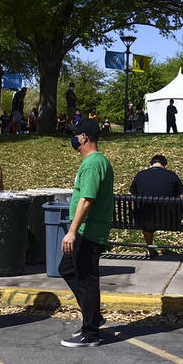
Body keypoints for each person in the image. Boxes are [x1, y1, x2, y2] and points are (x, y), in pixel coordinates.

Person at [59, 118, 113, 347]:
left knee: (87, 280)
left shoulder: (92, 163)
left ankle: (90, 333)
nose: (73, 138)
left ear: (85, 138)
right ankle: (94, 316)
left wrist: (72, 231)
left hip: (87, 230)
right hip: (87, 229)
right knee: (68, 269)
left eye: (76, 134)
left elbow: (87, 200)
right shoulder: (97, 161)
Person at [129, 154, 183, 257]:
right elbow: (182, 196)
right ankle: (150, 249)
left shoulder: (140, 175)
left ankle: (150, 249)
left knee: (145, 213)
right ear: (166, 165)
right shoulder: (172, 175)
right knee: (151, 213)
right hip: (169, 219)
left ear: (150, 165)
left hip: (144, 219)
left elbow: (133, 196)